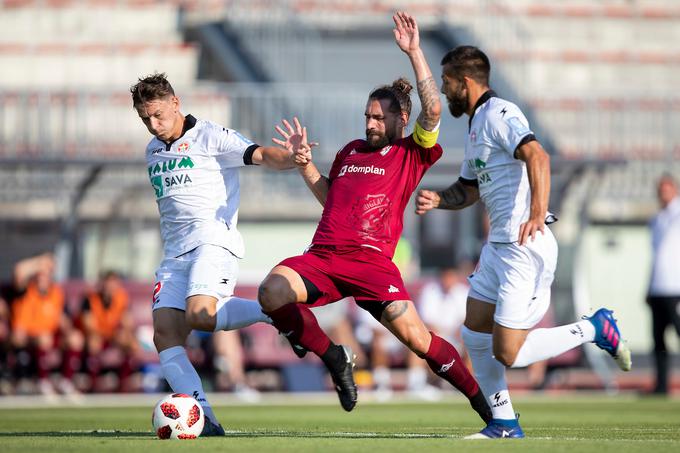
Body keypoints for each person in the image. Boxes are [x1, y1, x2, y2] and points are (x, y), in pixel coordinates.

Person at [257, 12, 491, 424]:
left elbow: (433, 110)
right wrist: (305, 166)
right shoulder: (350, 151)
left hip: (371, 263)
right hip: (325, 257)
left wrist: (415, 52)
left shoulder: (411, 152)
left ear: (401, 119)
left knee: (419, 341)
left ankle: (483, 404)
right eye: (367, 115)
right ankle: (334, 357)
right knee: (271, 291)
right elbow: (331, 199)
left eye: (379, 117)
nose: (370, 123)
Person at [415, 45, 632, 438]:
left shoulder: (501, 113)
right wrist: (439, 199)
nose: (444, 91)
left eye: (447, 82)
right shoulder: (477, 122)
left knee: (508, 352)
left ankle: (595, 327)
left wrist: (537, 211)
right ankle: (503, 423)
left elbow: (538, 156)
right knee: (474, 332)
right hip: (497, 247)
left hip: (522, 247)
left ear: (465, 82)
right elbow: (468, 188)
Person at [131, 73, 306, 435]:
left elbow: (260, 155)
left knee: (200, 316)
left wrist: (293, 158)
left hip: (212, 242)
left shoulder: (211, 136)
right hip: (174, 254)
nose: (153, 125)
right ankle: (204, 418)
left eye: (158, 115)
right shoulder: (153, 149)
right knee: (164, 335)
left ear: (176, 103)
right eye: (145, 118)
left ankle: (272, 313)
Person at [7, 253, 84, 398]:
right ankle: (43, 382)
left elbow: (62, 318)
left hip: (50, 335)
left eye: (47, 273)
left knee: (75, 338)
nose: (43, 277)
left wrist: (69, 331)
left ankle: (66, 382)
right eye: (41, 273)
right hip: (28, 337)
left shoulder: (56, 292)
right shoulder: (25, 290)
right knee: (43, 338)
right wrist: (39, 261)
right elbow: (19, 271)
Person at [647, 173, 680, 395]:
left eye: (667, 189)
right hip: (658, 288)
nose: (664, 194)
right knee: (658, 341)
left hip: (676, 288)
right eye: (661, 190)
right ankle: (661, 386)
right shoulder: (657, 219)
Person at [79, 271, 138, 392]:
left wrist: (126, 332)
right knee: (93, 342)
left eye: (113, 284)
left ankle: (123, 382)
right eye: (107, 283)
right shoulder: (90, 299)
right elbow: (89, 325)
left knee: (131, 343)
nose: (110, 287)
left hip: (112, 334)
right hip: (96, 334)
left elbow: (128, 321)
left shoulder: (121, 298)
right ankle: (94, 382)